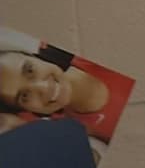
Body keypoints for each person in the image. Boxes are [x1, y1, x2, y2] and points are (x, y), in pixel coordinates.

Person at [0, 47, 132, 144]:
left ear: (36, 58)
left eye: (29, 70)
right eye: (25, 96)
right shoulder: (70, 135)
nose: (44, 88)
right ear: (27, 111)